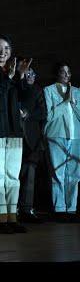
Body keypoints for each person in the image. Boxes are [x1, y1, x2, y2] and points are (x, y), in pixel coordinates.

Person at [0, 35, 32, 234]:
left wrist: (22, 77)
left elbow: (25, 96)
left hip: (14, 129)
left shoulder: (14, 70)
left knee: (13, 176)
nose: (3, 51)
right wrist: (8, 77)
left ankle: (12, 216)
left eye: (7, 48)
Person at [43, 63, 80, 222]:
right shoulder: (49, 90)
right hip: (56, 135)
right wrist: (65, 102)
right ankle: (59, 209)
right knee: (58, 173)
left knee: (74, 175)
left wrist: (73, 103)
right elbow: (49, 116)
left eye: (68, 72)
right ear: (57, 73)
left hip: (76, 136)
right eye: (62, 71)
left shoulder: (77, 92)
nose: (66, 74)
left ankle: (71, 209)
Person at [18, 66, 47, 223]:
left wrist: (28, 114)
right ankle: (10, 208)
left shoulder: (37, 91)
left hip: (32, 140)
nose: (29, 76)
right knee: (14, 175)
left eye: (32, 74)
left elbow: (43, 113)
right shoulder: (15, 87)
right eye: (26, 73)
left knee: (29, 175)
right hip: (14, 137)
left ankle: (26, 209)